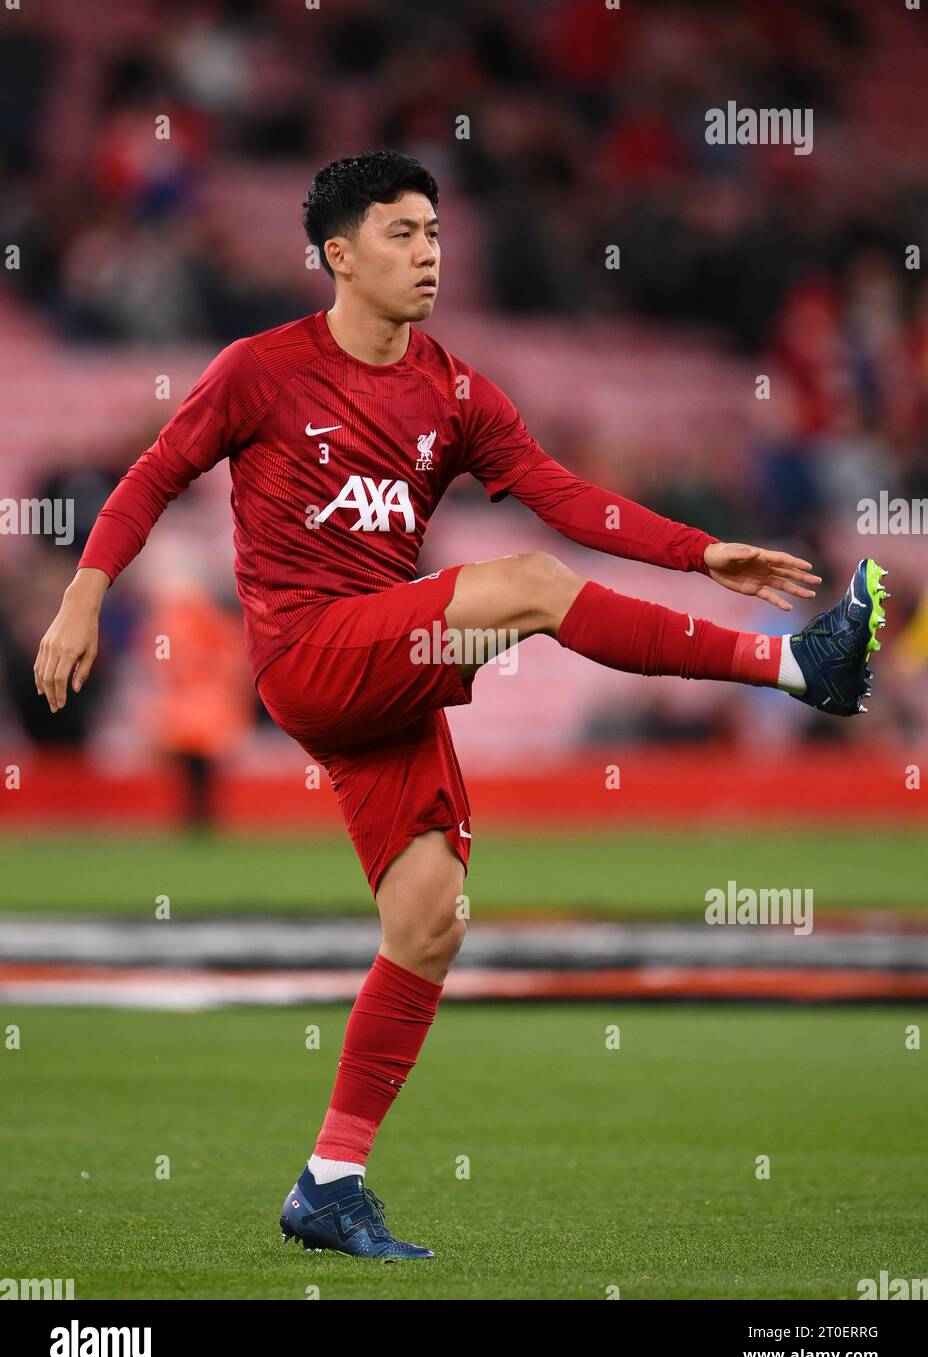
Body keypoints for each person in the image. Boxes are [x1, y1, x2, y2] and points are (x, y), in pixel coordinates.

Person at [34, 150, 888, 1261]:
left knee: (429, 921)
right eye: (400, 233)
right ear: (339, 255)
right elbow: (152, 475)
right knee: (528, 588)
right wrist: (82, 598)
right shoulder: (260, 369)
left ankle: (328, 1182)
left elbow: (559, 491)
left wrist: (696, 549)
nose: (428, 250)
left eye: (434, 230)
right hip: (307, 654)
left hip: (386, 665)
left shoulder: (455, 388)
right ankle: (797, 671)